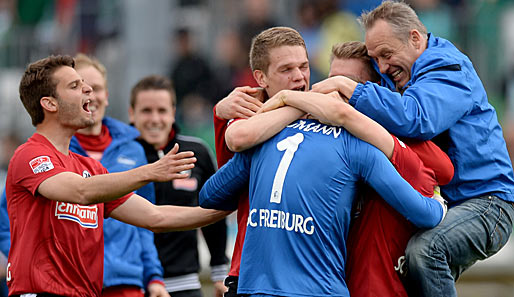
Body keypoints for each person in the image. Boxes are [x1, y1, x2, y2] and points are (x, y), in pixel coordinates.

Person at [311, 2, 514, 296]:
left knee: (425, 252)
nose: (382, 67)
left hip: (487, 204)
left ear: (416, 39)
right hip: (455, 204)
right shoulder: (406, 75)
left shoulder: (448, 67)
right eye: (375, 59)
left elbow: (416, 118)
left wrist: (351, 89)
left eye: (387, 54)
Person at [5, 55, 229, 296]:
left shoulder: (91, 169)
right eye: (74, 85)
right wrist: (150, 171)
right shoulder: (29, 155)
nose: (88, 89)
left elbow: (156, 217)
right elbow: (81, 191)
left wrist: (232, 205)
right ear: (49, 104)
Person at [259, 40, 454, 297]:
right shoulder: (314, 133)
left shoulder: (390, 137)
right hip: (328, 284)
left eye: (346, 84)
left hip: (377, 286)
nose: (333, 92)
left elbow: (443, 169)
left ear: (372, 91)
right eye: (331, 81)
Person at [200, 100, 446, 296]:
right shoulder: (357, 146)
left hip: (254, 288)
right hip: (319, 288)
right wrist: (439, 202)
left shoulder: (264, 138)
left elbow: (209, 195)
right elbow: (424, 213)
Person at [212, 26, 311, 297]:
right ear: (261, 78)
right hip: (251, 273)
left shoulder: (326, 114)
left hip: (310, 274)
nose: (299, 76)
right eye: (286, 69)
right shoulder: (244, 112)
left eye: (303, 66)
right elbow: (237, 139)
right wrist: (297, 105)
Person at [73, 54, 168, 297]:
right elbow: (9, 221)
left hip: (124, 281)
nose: (91, 96)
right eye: (82, 88)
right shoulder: (52, 150)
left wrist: (154, 276)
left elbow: (145, 221)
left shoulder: (133, 149)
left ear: (107, 95)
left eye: (96, 88)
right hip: (70, 281)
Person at [129, 75, 229, 297]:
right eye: (146, 111)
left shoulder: (196, 153)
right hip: (132, 284)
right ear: (131, 113)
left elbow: (214, 215)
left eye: (162, 111)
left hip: (185, 283)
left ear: (173, 113)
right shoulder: (119, 154)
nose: (155, 119)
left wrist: (219, 272)